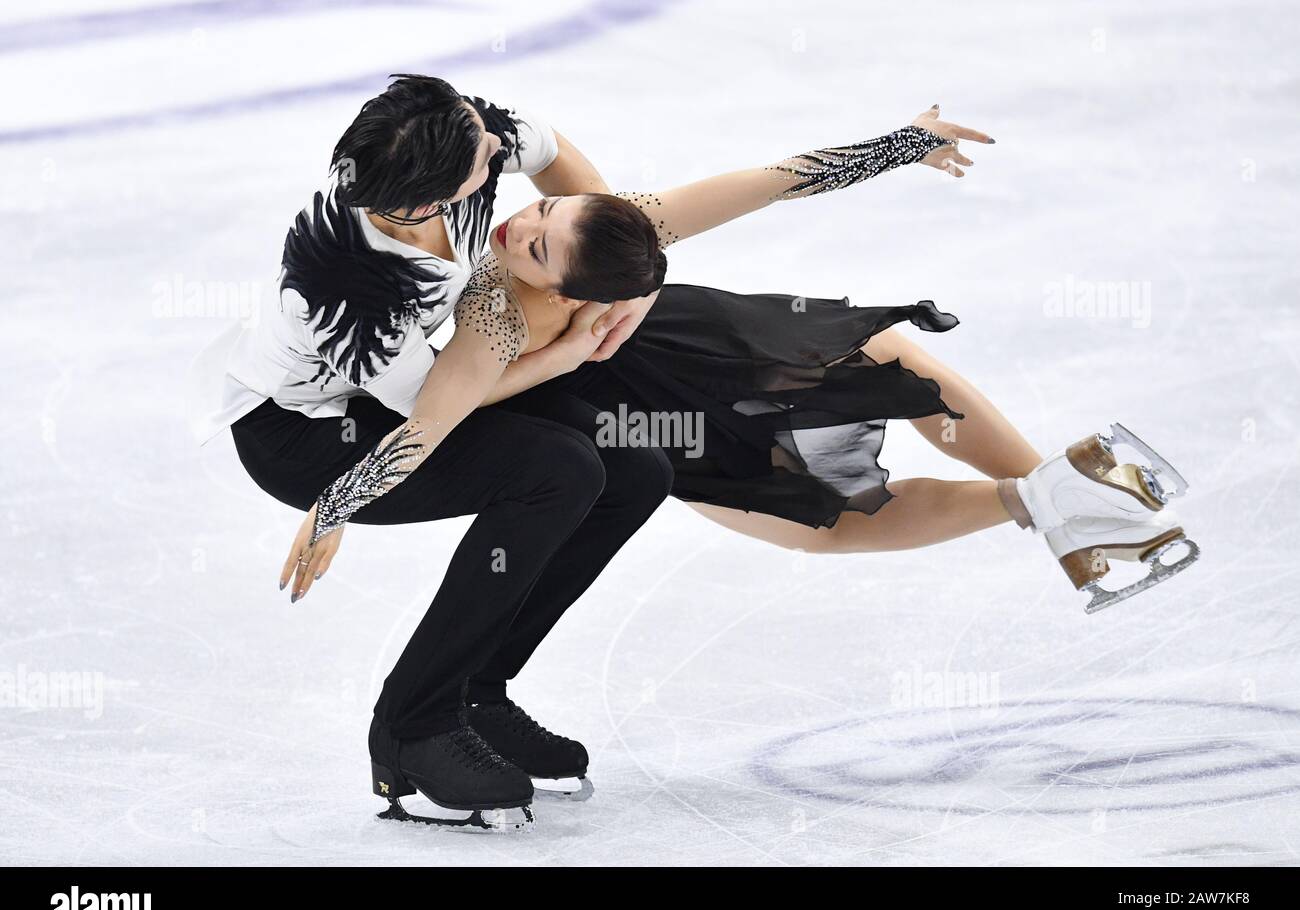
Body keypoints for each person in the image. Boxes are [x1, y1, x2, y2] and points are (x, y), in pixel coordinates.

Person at [285, 104, 1198, 825]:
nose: (516, 226)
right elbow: (439, 416)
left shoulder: (532, 286)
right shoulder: (565, 264)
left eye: (543, 226)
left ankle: (1056, 495)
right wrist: (337, 504)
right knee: (845, 471)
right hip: (649, 386)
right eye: (536, 222)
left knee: (878, 379)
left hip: (648, 385)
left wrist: (900, 143)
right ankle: (1045, 496)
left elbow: (777, 182)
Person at [190, 75, 670, 830]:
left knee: (635, 466)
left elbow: (559, 164)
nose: (495, 140)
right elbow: (438, 410)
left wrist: (615, 278)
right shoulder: (349, 288)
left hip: (411, 395)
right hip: (307, 436)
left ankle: (477, 691)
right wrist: (565, 355)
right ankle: (413, 727)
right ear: (428, 201)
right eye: (483, 150)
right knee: (560, 469)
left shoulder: (448, 140)